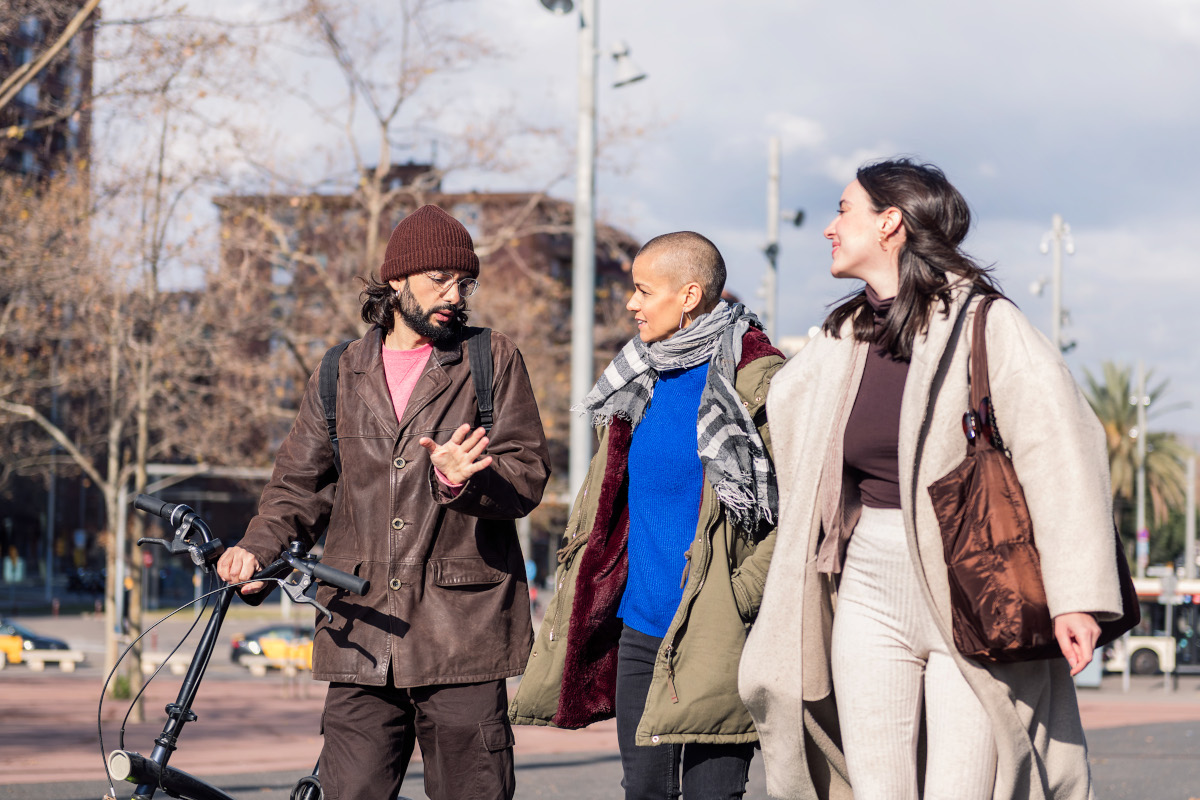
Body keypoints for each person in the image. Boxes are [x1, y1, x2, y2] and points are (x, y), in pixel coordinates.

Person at [738, 159, 1126, 800]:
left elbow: (1062, 450)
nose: (830, 227)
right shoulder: (845, 334)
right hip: (867, 581)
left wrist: (1075, 596)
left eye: (844, 210)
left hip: (970, 587)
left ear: (889, 223)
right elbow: (785, 423)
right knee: (877, 788)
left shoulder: (987, 324)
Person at [217, 204, 551, 800]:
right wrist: (255, 551)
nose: (455, 294)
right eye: (439, 280)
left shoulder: (491, 359)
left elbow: (526, 476)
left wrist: (463, 481)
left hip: (462, 640)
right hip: (359, 631)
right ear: (396, 280)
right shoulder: (340, 371)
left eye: (464, 282)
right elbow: (297, 487)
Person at [510, 231, 785, 799]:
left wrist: (739, 595)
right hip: (641, 628)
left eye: (642, 290)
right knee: (644, 794)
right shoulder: (640, 377)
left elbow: (793, 511)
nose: (631, 304)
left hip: (716, 631)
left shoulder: (758, 380)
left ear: (688, 295)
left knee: (714, 794)